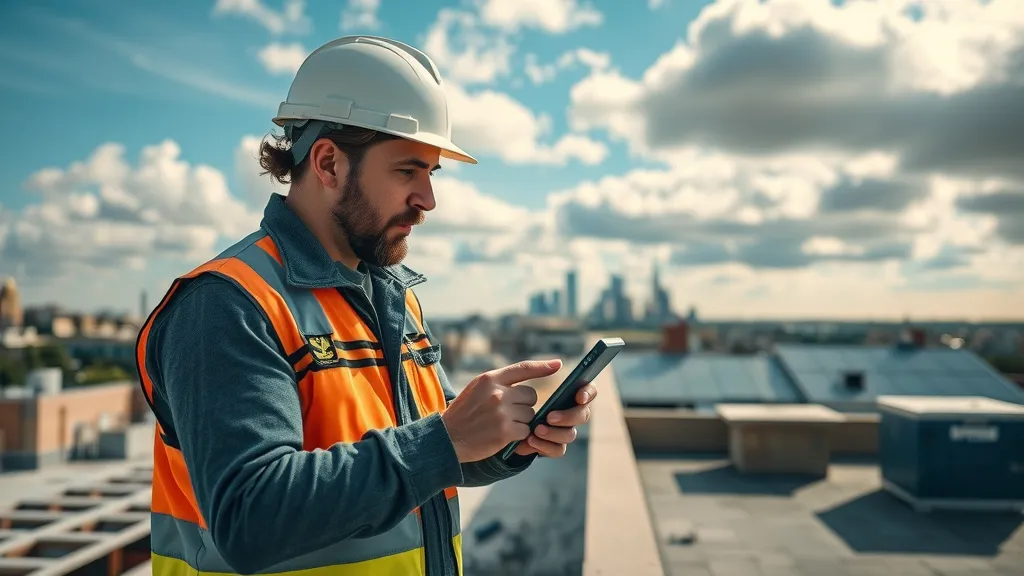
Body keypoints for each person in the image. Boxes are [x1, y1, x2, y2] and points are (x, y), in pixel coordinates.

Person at [134, 35, 596, 576]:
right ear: (328, 163)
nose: (428, 199)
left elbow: (435, 456)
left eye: (431, 173)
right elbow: (249, 518)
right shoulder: (226, 306)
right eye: (407, 171)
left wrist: (514, 437)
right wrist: (445, 440)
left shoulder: (394, 299)